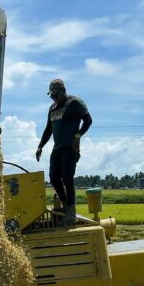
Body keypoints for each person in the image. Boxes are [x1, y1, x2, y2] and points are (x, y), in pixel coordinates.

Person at [35, 79, 92, 226]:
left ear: (63, 90)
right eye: (51, 96)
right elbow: (49, 129)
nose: (53, 98)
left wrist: (78, 136)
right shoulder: (52, 108)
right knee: (54, 177)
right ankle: (66, 205)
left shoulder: (75, 103)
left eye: (55, 95)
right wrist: (40, 146)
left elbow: (88, 121)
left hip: (70, 148)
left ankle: (71, 212)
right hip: (57, 148)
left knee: (67, 177)